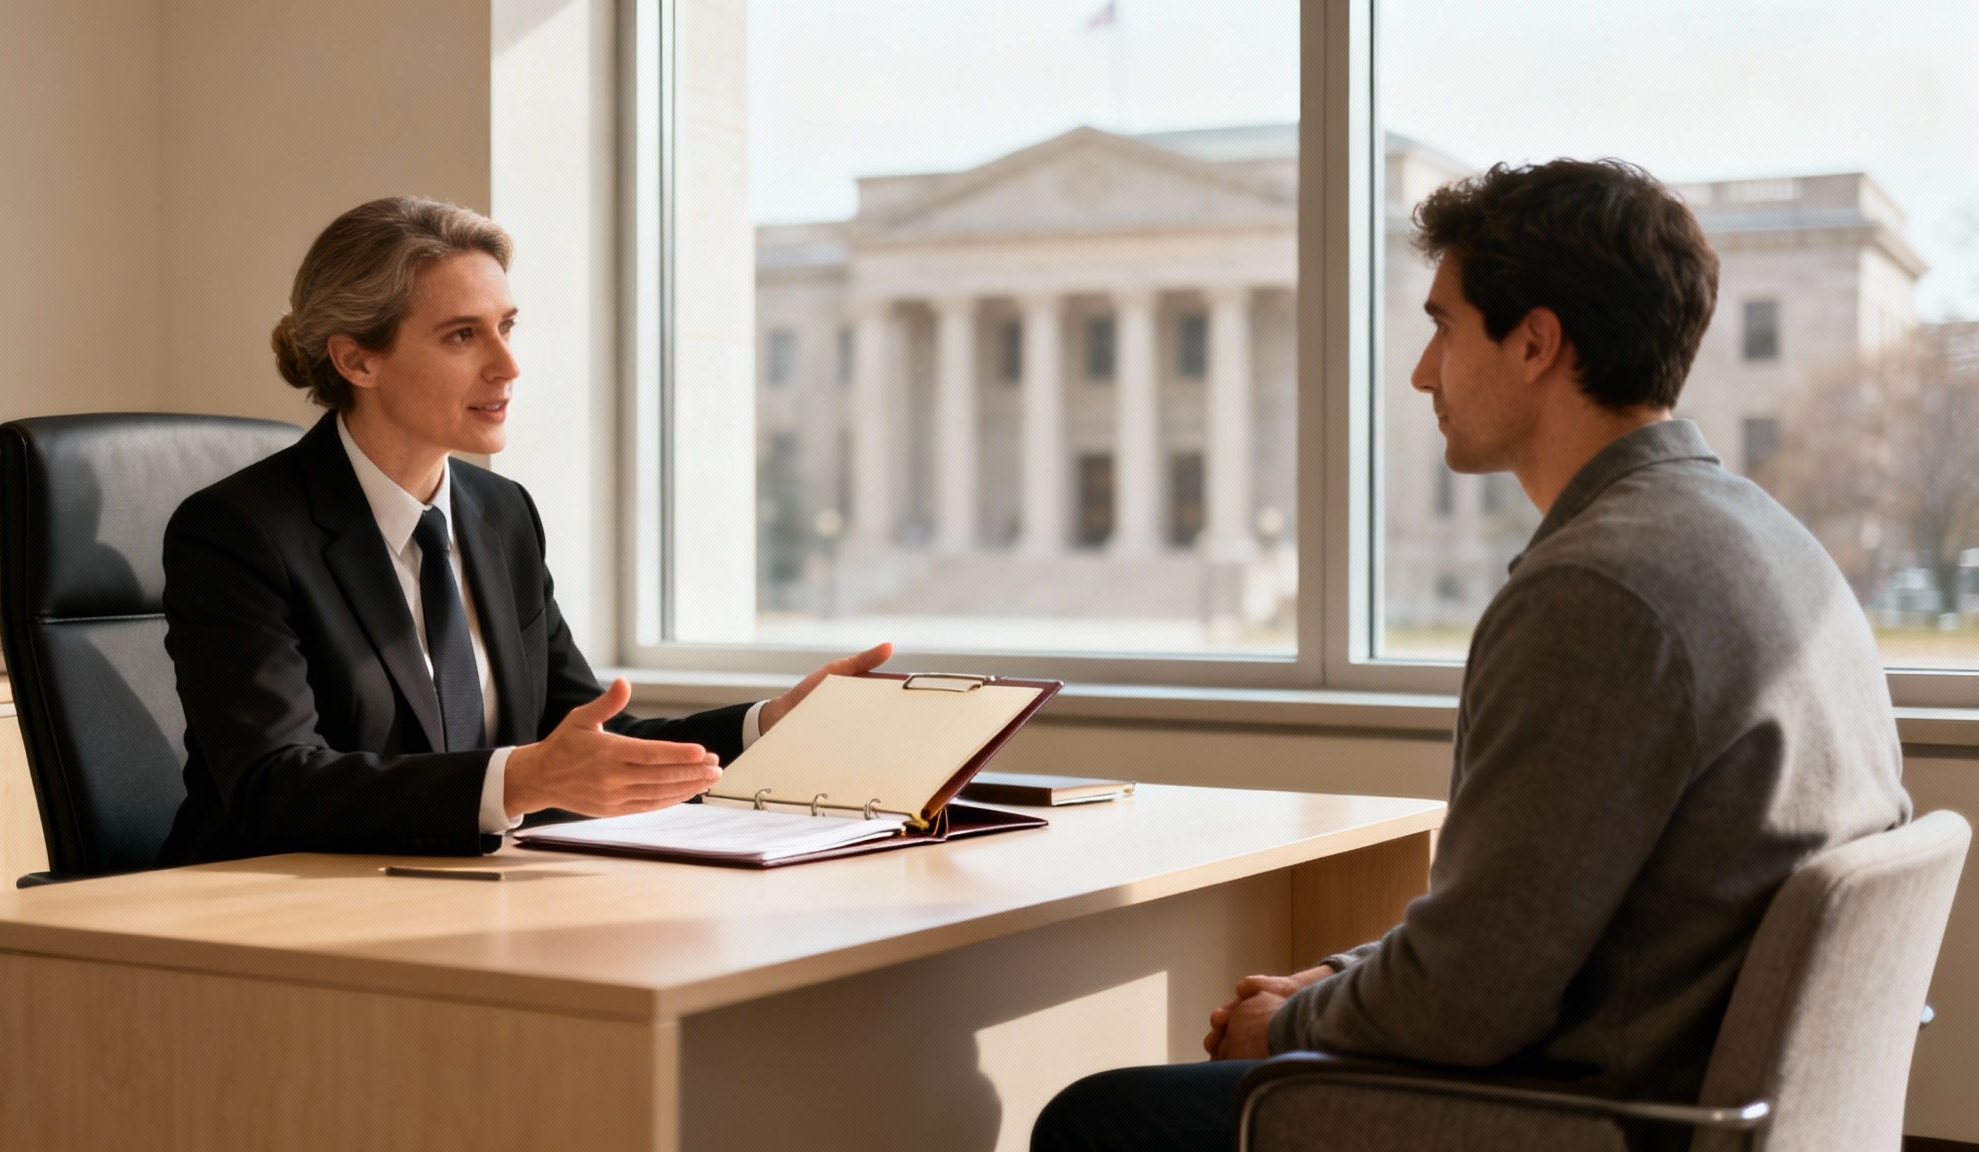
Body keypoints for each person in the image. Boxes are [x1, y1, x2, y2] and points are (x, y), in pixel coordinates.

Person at [1032, 159, 1912, 1151]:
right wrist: (1341, 979)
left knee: (1098, 1120)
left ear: (1533, 343)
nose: (1418, 371)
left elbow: (1467, 1003)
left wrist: (1278, 1022)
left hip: (1598, 1115)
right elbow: (1528, 921)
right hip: (1709, 1092)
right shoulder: (1765, 537)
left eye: (1442, 326)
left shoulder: (1595, 592)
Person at [158, 196, 889, 865]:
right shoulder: (238, 530)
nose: (507, 366)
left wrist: (767, 727)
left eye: (506, 328)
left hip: (454, 896)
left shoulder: (501, 514)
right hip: (263, 912)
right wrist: (519, 779)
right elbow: (272, 785)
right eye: (460, 336)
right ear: (357, 358)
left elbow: (584, 743)